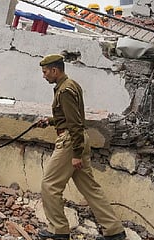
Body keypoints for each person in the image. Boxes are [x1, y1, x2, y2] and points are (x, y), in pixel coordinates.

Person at [36, 54, 127, 240]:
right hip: (77, 140)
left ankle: (58, 230)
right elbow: (71, 116)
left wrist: (76, 154)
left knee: (50, 185)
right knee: (90, 188)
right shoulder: (71, 85)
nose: (44, 76)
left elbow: (75, 123)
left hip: (70, 142)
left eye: (45, 72)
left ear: (55, 70)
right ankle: (114, 230)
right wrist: (51, 121)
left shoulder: (64, 91)